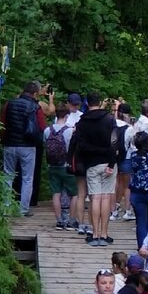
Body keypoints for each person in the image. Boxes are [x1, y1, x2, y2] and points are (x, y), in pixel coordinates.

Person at [71, 92, 119, 247]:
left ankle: (95, 234)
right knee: (106, 198)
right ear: (99, 103)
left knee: (95, 198)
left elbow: (78, 145)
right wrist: (112, 164)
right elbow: (115, 142)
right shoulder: (110, 119)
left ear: (86, 102)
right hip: (108, 162)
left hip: (91, 164)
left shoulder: (82, 122)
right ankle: (104, 234)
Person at [0, 81, 46, 217]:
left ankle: (5, 209)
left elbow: (2, 123)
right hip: (28, 146)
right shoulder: (35, 107)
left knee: (8, 175)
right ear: (35, 93)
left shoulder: (9, 104)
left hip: (9, 144)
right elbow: (42, 127)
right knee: (27, 178)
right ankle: (23, 209)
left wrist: (3, 139)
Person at [44, 105, 78, 229]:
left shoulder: (47, 130)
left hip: (52, 166)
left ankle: (59, 221)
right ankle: (71, 221)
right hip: (66, 166)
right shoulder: (70, 131)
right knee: (74, 194)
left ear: (56, 115)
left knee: (56, 193)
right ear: (67, 116)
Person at [64, 92, 89, 235]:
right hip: (71, 156)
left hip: (74, 156)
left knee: (77, 191)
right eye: (73, 104)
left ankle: (74, 217)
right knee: (76, 190)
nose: (75, 106)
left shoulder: (79, 116)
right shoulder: (67, 116)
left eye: (77, 104)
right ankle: (72, 214)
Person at [112, 102, 135, 220]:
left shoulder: (112, 125)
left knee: (116, 184)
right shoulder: (130, 129)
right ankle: (127, 211)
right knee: (127, 186)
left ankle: (114, 211)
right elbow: (133, 146)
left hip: (113, 159)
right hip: (126, 158)